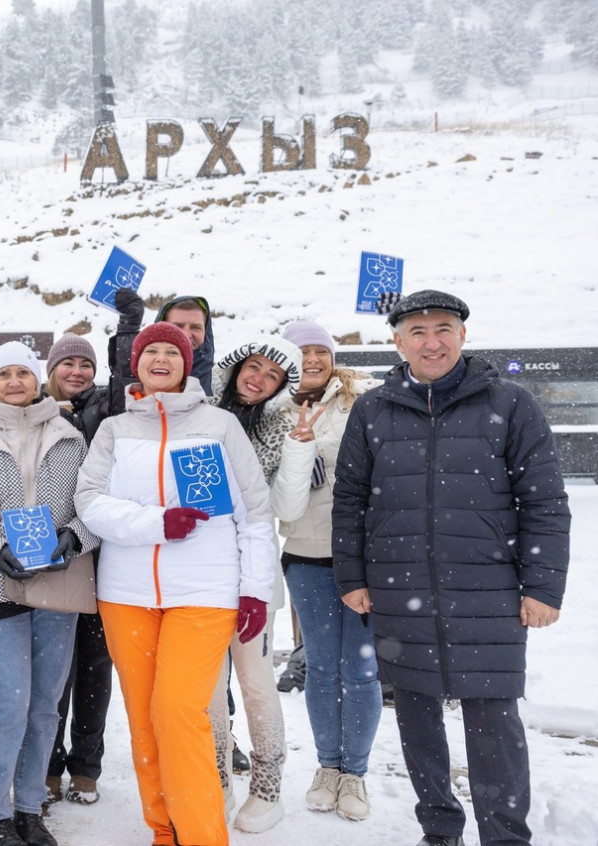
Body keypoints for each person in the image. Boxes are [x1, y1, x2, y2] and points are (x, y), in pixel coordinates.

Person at [332, 290, 570, 846]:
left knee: (494, 724)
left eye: (443, 328)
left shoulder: (511, 403)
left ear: (463, 335)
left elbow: (544, 502)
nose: (431, 341)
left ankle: (505, 836)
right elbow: (350, 499)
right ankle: (439, 830)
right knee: (416, 720)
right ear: (397, 342)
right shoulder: (373, 409)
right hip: (399, 586)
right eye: (417, 332)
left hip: (488, 589)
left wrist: (543, 587)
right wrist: (354, 577)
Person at [76, 323, 275, 846]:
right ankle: (164, 830)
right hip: (126, 594)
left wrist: (256, 589)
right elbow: (89, 502)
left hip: (205, 592)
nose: (160, 359)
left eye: (172, 352)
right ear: (134, 363)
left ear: (189, 364)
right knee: (143, 719)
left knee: (179, 712)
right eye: (151, 351)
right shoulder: (114, 429)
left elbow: (256, 512)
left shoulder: (221, 425)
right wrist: (155, 522)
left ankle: (202, 836)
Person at [0, 341, 101, 846]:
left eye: (23, 373)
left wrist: (75, 536)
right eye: (3, 373)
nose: (14, 382)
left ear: (37, 380)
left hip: (58, 577)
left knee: (46, 702)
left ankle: (30, 808)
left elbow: (95, 502)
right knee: (9, 700)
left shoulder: (71, 437)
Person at [269, 321, 381, 822]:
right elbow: (272, 492)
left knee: (359, 669)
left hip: (363, 558)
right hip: (306, 554)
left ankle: (354, 772)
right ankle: (327, 767)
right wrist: (291, 464)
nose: (311, 359)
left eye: (320, 350)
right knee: (320, 666)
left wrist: (327, 467)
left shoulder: (361, 401)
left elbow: (385, 466)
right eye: (301, 351)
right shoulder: (273, 408)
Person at [207, 336, 302, 832]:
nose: (258, 378)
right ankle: (217, 780)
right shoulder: (198, 410)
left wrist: (302, 450)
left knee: (257, 686)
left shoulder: (284, 426)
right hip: (199, 575)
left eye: (272, 375)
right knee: (207, 690)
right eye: (255, 366)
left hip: (252, 574)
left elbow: (285, 509)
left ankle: (269, 788)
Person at [41, 334, 114, 806]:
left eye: (84, 364)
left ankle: (86, 766)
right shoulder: (33, 408)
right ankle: (46, 762)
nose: (76, 371)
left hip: (103, 550)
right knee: (53, 668)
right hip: (51, 552)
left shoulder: (107, 409)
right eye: (66, 363)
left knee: (94, 663)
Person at [109, 289, 216, 410]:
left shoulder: (220, 385)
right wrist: (128, 329)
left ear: (205, 333)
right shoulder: (141, 377)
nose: (186, 334)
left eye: (195, 327)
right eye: (178, 326)